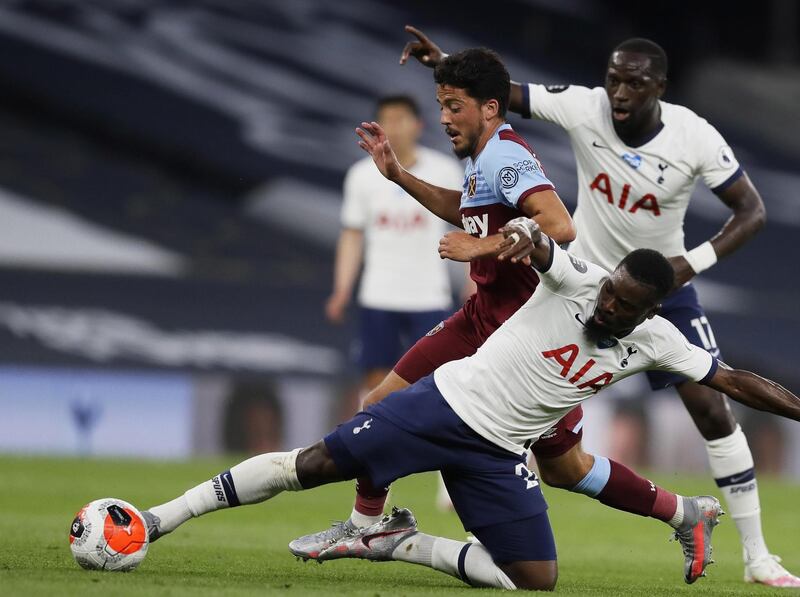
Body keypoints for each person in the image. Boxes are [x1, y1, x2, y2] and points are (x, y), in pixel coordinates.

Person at [140, 223, 800, 591]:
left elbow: (736, 380)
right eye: (609, 293)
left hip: (497, 452)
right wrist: (510, 239)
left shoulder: (660, 341)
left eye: (623, 305)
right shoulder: (580, 282)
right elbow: (541, 246)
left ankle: (399, 541)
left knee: (534, 580)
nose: (606, 305)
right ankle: (157, 519)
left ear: (648, 311)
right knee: (307, 464)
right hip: (443, 405)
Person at [399, 27, 799, 588]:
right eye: (614, 79)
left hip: (663, 286)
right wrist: (442, 64)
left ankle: (758, 556)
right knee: (528, 408)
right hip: (584, 283)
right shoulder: (584, 106)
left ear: (659, 87)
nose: (619, 92)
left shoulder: (695, 136)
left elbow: (751, 211)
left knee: (711, 408)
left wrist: (690, 263)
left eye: (634, 83)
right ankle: (487, 515)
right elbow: (501, 94)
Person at [303, 48, 576, 536]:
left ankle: (677, 511)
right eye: (441, 106)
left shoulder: (506, 154)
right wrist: (399, 177)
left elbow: (558, 225)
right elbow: (464, 208)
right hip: (478, 316)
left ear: (490, 108)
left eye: (454, 106)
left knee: (567, 468)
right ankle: (363, 527)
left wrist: (482, 246)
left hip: (522, 330)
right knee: (377, 405)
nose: (444, 118)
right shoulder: (480, 156)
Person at [327, 95, 465, 395]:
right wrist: (341, 289)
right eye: (387, 120)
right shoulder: (361, 176)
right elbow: (352, 236)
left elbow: (469, 228)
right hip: (379, 294)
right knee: (375, 378)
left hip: (429, 295)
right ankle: (375, 438)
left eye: (402, 119)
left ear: (418, 125)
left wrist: (474, 283)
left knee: (433, 379)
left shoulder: (444, 170)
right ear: (377, 127)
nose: (395, 127)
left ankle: (424, 440)